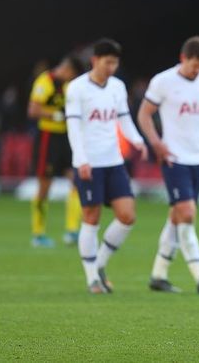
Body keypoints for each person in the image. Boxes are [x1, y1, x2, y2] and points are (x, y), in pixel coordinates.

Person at [138, 36, 199, 294]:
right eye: (193, 66)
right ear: (183, 58)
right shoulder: (163, 81)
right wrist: (156, 142)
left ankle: (158, 274)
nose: (197, 71)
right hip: (174, 158)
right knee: (187, 214)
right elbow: (144, 113)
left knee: (177, 217)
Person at [65, 38, 148, 294]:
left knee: (127, 215)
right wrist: (81, 160)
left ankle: (99, 264)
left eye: (115, 62)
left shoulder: (117, 87)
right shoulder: (77, 88)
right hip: (89, 162)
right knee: (91, 218)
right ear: (95, 61)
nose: (111, 67)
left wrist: (137, 141)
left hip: (113, 160)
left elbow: (123, 118)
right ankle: (92, 278)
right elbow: (74, 127)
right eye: (107, 62)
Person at [28, 56, 84, 247]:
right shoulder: (46, 81)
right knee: (45, 186)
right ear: (67, 69)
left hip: (67, 138)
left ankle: (72, 231)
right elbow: (33, 110)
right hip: (48, 138)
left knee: (76, 181)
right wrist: (55, 115)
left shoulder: (71, 86)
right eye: (71, 74)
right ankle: (38, 233)